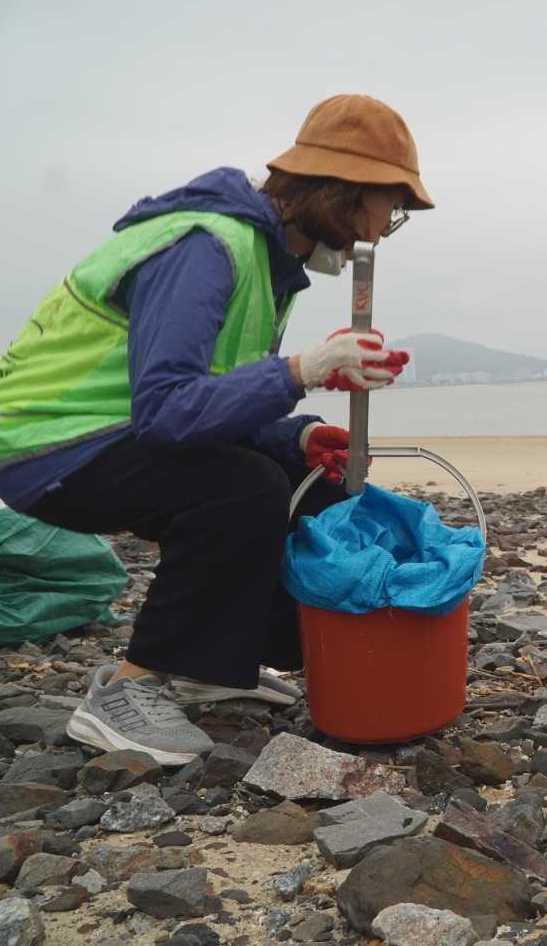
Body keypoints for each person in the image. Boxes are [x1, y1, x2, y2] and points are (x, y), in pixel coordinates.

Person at [0, 94, 432, 765]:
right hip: (48, 445)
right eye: (390, 208)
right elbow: (168, 409)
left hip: (117, 434)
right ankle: (128, 687)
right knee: (241, 488)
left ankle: (216, 663)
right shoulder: (207, 246)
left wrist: (294, 439)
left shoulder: (266, 264)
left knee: (308, 481)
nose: (384, 227)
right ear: (343, 193)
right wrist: (303, 369)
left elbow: (212, 400)